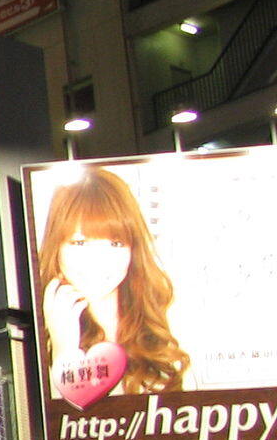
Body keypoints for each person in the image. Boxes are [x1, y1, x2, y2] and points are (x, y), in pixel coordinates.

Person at [35, 164, 190, 403]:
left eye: (115, 243)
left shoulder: (166, 329)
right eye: (80, 243)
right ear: (57, 246)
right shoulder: (36, 341)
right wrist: (64, 350)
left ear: (133, 250)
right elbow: (59, 430)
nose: (98, 260)